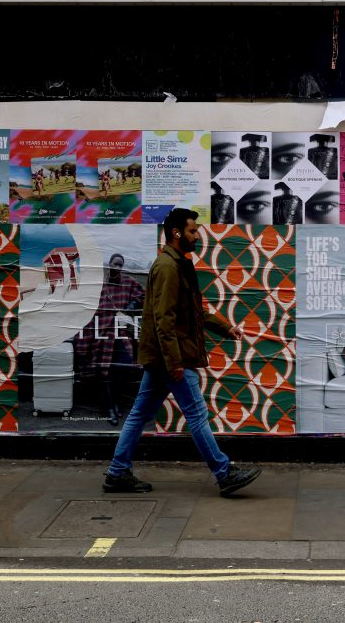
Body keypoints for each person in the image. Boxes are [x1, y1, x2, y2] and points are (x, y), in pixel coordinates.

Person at [103, 208, 261, 496]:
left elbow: (192, 311)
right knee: (197, 414)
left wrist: (225, 328)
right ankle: (224, 473)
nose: (197, 235)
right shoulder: (168, 267)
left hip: (163, 356)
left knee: (139, 413)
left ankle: (117, 472)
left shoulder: (177, 263)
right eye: (192, 231)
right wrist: (174, 362)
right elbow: (163, 319)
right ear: (177, 233)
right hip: (171, 357)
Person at [72, 253, 145, 426]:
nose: (117, 267)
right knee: (104, 368)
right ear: (109, 264)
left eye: (120, 265)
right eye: (115, 264)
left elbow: (142, 295)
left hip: (120, 332)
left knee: (125, 365)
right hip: (101, 332)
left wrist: (131, 306)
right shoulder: (99, 284)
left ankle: (116, 402)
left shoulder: (127, 282)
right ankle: (110, 406)